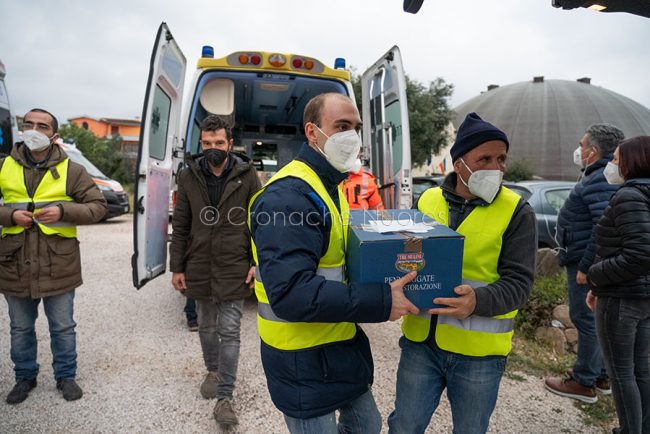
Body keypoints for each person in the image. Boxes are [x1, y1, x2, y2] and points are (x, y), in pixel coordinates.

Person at [248, 92, 418, 434]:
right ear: (313, 132)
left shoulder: (329, 184)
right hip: (301, 359)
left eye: (355, 127)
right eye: (341, 126)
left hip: (336, 342)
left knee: (367, 425)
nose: (351, 136)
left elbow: (335, 261)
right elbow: (292, 294)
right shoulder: (289, 197)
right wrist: (382, 300)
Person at [388, 112, 537, 434]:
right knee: (404, 425)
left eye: (501, 159)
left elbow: (520, 283)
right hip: (421, 343)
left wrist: (478, 300)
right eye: (484, 158)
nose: (496, 168)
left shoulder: (517, 211)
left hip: (478, 355)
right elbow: (405, 255)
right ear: (459, 165)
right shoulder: (426, 199)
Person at [0, 108, 107, 404]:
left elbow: (98, 207)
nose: (34, 130)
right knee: (20, 327)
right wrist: (9, 216)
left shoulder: (73, 170)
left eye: (42, 126)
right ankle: (24, 377)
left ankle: (66, 376)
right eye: (29, 124)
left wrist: (63, 210)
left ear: (54, 136)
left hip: (58, 263)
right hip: (14, 262)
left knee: (62, 326)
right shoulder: (3, 167)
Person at [169, 115, 260, 426]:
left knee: (230, 330)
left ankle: (225, 396)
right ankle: (212, 368)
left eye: (219, 143)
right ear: (200, 143)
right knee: (206, 326)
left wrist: (255, 263)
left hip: (234, 263)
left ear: (230, 143)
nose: (213, 149)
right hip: (199, 263)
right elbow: (180, 225)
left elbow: (257, 223)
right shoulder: (188, 175)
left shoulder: (247, 175)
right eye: (207, 144)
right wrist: (177, 266)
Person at [544, 123, 624, 403]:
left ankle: (584, 381)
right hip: (584, 258)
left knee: (585, 319)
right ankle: (600, 376)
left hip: (585, 262)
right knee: (595, 319)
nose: (578, 150)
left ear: (592, 150)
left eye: (581, 144)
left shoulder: (601, 178)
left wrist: (587, 267)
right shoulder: (597, 175)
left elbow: (602, 226)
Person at [587, 136, 650, 434]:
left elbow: (639, 255)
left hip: (622, 298)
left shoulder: (629, 196)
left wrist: (596, 275)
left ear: (632, 162)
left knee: (622, 374)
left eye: (615, 159)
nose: (610, 165)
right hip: (642, 297)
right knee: (640, 371)